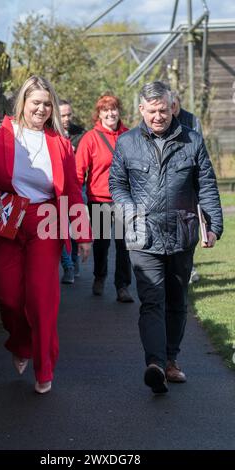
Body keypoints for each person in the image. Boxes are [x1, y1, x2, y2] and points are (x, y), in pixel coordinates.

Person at [0, 75, 92, 394]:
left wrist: (83, 233)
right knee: (9, 297)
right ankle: (20, 343)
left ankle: (44, 367)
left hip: (45, 219)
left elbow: (74, 191)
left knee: (42, 298)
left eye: (47, 104)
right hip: (5, 218)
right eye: (36, 102)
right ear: (22, 102)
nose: (42, 109)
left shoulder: (61, 144)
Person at [109, 81, 223, 394]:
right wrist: (131, 211)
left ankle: (172, 361)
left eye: (163, 110)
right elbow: (117, 185)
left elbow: (207, 187)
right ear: (141, 111)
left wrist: (213, 226)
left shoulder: (192, 141)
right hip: (142, 236)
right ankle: (155, 364)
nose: (158, 116)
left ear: (171, 107)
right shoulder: (127, 143)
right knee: (151, 300)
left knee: (176, 301)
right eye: (151, 111)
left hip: (182, 233)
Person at [76, 94, 133, 303]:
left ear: (119, 111)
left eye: (114, 109)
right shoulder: (90, 138)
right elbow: (79, 171)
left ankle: (123, 286)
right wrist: (75, 198)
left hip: (124, 199)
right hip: (99, 200)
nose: (110, 113)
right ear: (99, 114)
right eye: (105, 110)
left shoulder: (130, 135)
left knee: (124, 244)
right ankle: (99, 277)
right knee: (101, 244)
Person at [171, 89, 202, 283]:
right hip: (169, 182)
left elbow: (199, 147)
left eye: (173, 105)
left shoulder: (191, 120)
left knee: (189, 225)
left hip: (188, 180)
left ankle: (189, 267)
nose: (170, 110)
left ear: (178, 104)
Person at [59, 99, 86, 284]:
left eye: (69, 115)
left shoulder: (81, 134)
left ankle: (74, 261)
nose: (67, 118)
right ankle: (67, 266)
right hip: (58, 187)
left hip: (77, 186)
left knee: (76, 227)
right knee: (60, 229)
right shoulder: (50, 133)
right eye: (62, 115)